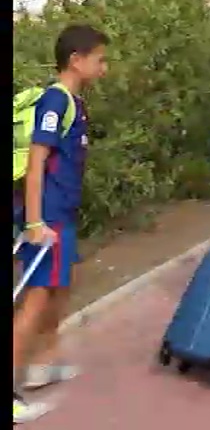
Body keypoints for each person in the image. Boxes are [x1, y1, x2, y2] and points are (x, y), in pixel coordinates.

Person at [13, 24, 109, 423]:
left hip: (60, 216)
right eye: (101, 60)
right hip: (47, 218)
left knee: (58, 289)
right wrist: (35, 221)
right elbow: (36, 165)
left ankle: (42, 362)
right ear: (77, 60)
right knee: (35, 299)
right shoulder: (55, 102)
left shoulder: (72, 101)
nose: (105, 68)